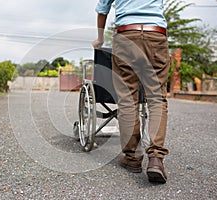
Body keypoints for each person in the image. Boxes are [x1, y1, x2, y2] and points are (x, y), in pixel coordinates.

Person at [93, 0, 170, 183]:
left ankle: (132, 158)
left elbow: (102, 9)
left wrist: (100, 38)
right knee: (157, 99)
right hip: (156, 34)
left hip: (125, 34)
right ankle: (156, 159)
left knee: (127, 99)